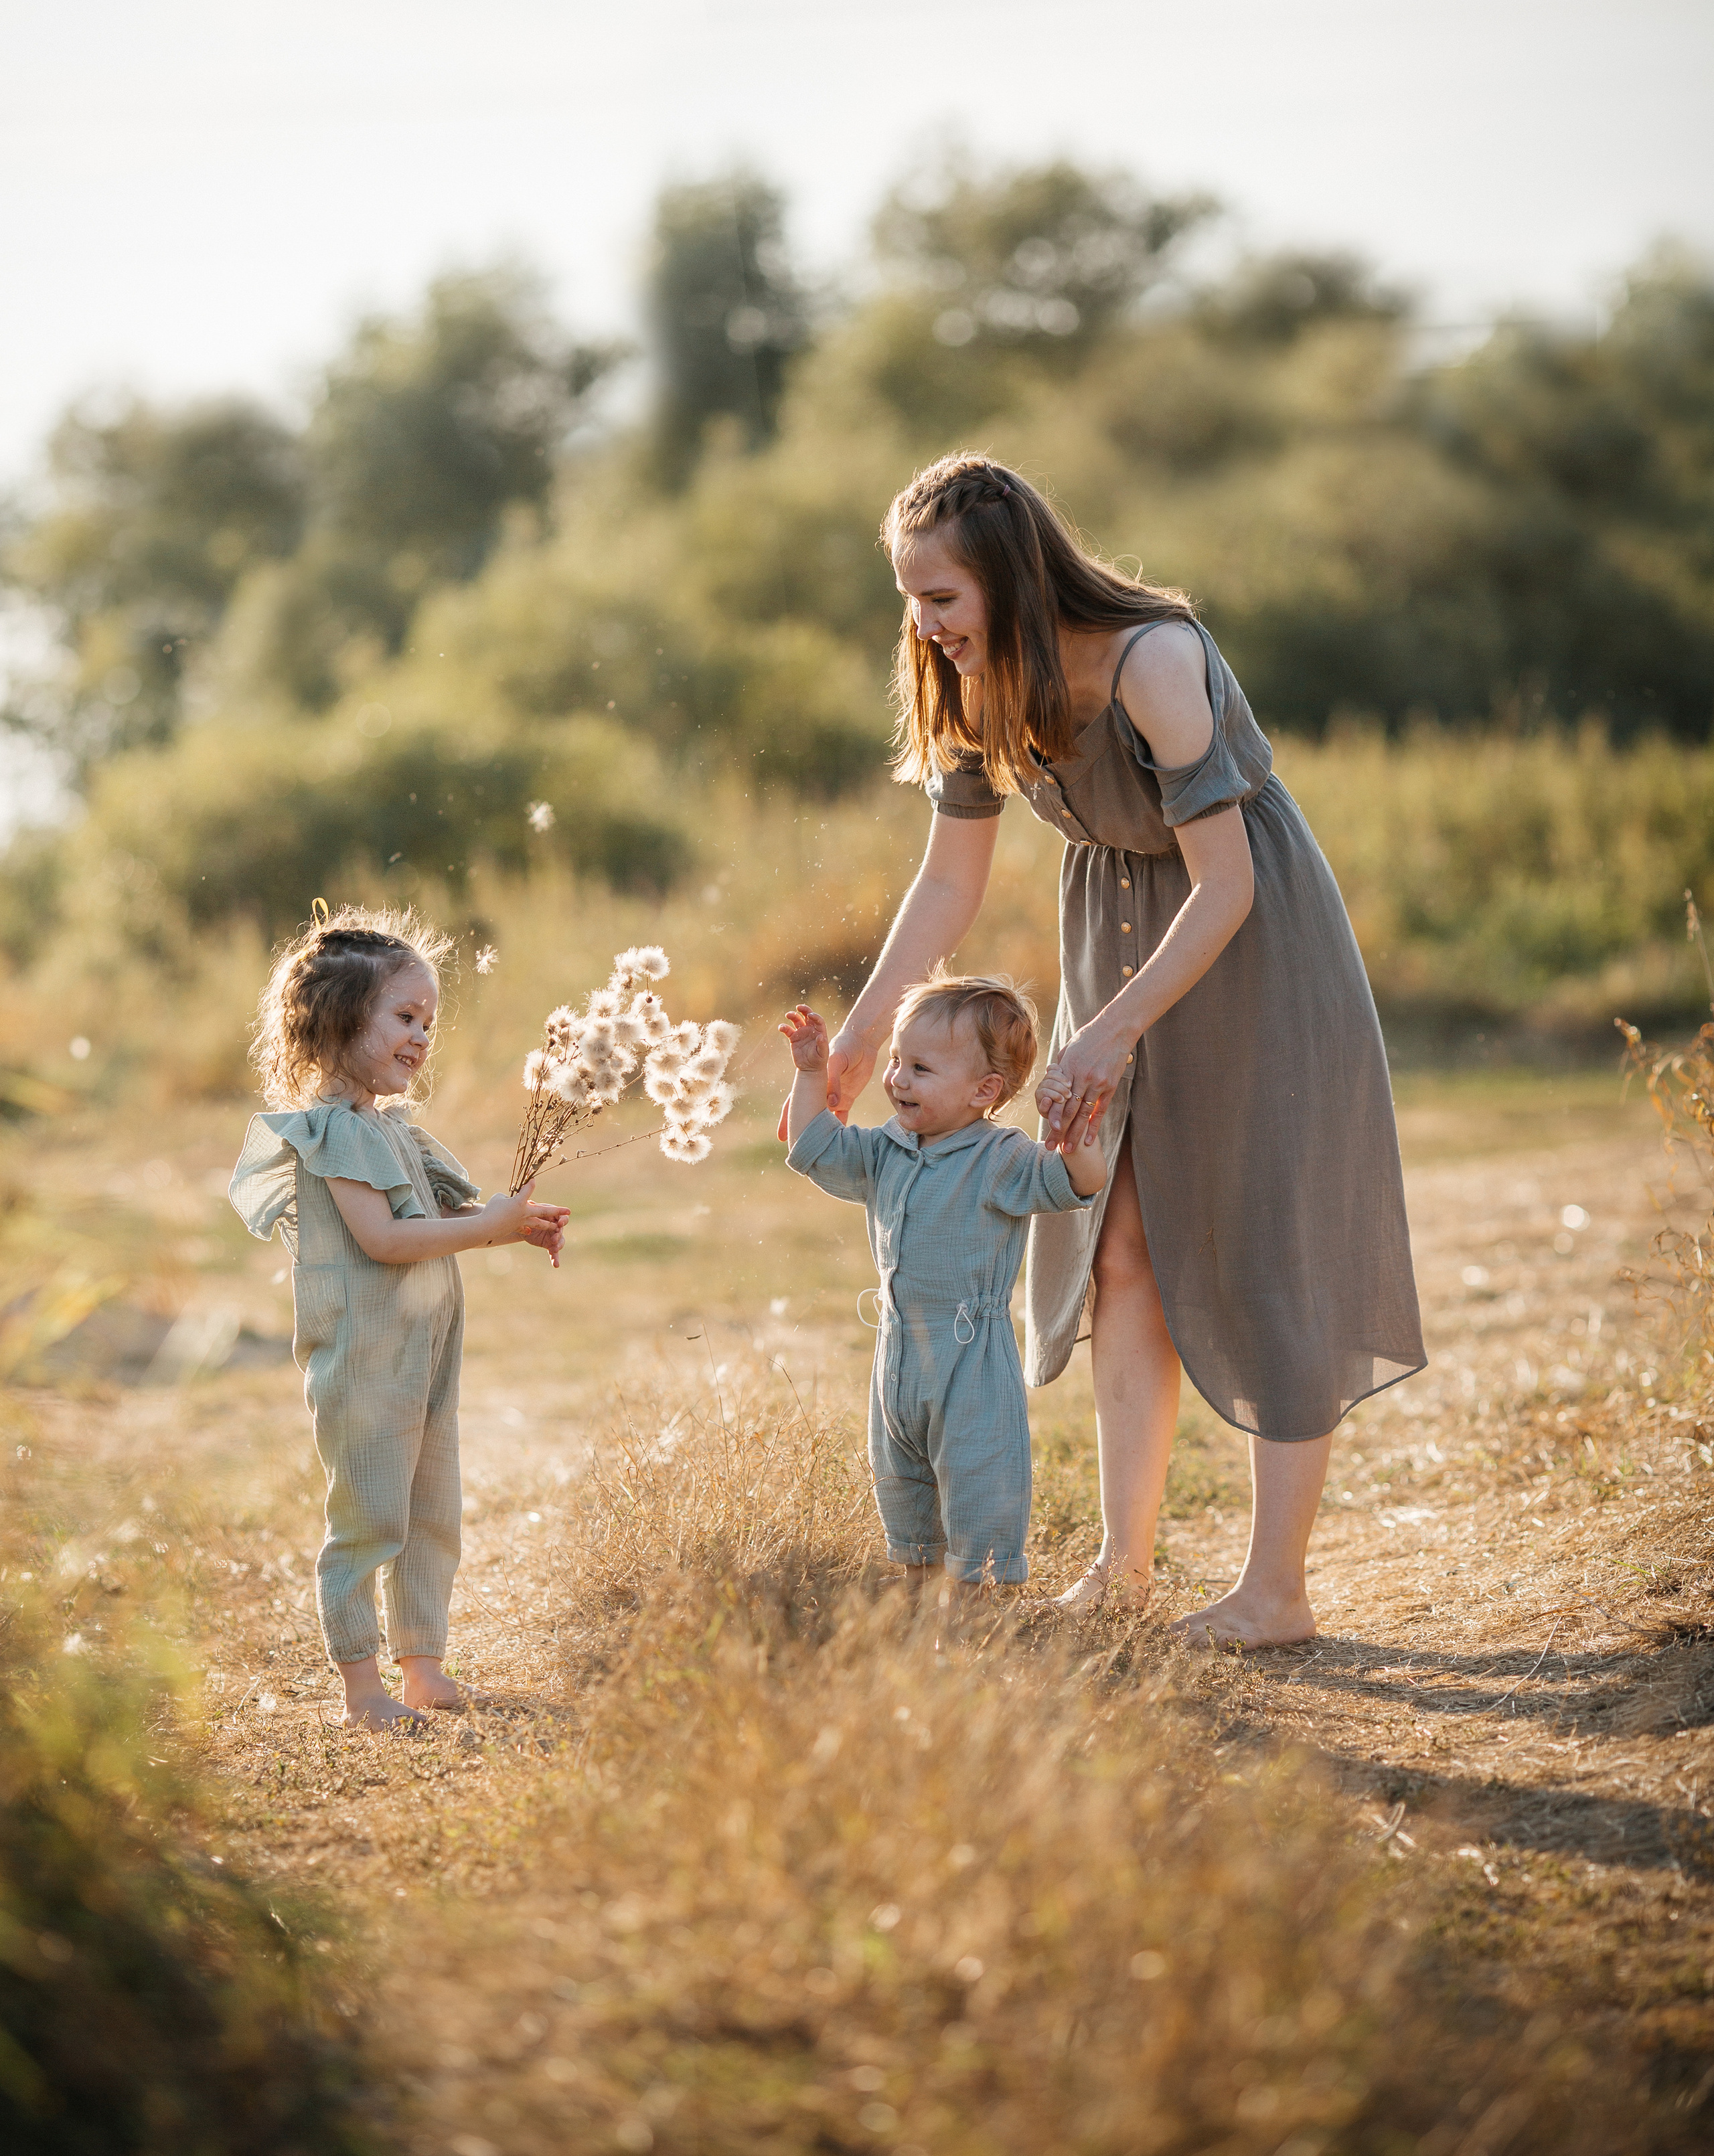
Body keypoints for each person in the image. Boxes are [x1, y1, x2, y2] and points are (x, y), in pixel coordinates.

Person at [815, 454, 1425, 1646]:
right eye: (912, 600)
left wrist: (1107, 1029)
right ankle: (1125, 1567)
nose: (924, 626)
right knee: (1116, 1251)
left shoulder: (1157, 659)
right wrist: (856, 1039)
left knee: (1264, 1247)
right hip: (1114, 941)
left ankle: (1277, 1592)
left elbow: (1228, 881)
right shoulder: (975, 681)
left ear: (1006, 574)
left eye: (940, 598)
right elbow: (948, 883)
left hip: (1245, 950)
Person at [229, 906, 568, 1728]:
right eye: (405, 1017)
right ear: (342, 1020)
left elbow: (455, 1210)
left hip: (425, 1354)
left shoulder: (396, 1127)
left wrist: (509, 1218)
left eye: (429, 1022)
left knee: (429, 1512)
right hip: (366, 1360)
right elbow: (384, 1240)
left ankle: (423, 1668)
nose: (422, 1037)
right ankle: (361, 1691)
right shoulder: (332, 1134)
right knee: (369, 1515)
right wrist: (488, 1230)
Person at [781, 973, 1105, 1594]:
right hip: (898, 1357)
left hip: (970, 1360)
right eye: (898, 1060)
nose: (898, 1078)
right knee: (904, 1491)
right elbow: (815, 1145)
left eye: (921, 1068)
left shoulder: (1002, 1158)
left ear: (984, 1090)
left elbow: (1080, 1184)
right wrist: (810, 1073)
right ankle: (920, 1607)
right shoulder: (887, 1148)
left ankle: (974, 1623)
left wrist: (1074, 1141)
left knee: (979, 1487)